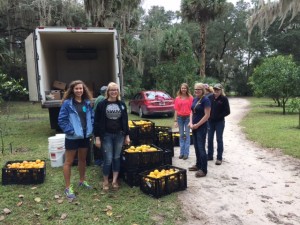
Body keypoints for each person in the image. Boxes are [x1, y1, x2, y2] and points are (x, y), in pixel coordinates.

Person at [58, 80, 94, 199]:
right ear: (72, 90)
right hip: (72, 137)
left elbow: (92, 117)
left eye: (81, 88)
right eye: (76, 88)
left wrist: (90, 129)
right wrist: (71, 131)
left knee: (82, 160)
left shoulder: (87, 103)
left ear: (84, 90)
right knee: (68, 162)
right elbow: (62, 120)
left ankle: (82, 181)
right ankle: (68, 188)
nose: (79, 90)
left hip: (85, 136)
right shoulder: (67, 104)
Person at [93, 82, 130, 190]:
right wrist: (97, 137)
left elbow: (125, 121)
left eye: (115, 90)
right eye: (111, 90)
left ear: (118, 92)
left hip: (119, 135)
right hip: (106, 135)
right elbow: (97, 122)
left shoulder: (122, 104)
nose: (114, 92)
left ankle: (114, 181)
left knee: (116, 158)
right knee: (108, 159)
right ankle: (105, 181)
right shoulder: (102, 104)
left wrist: (127, 136)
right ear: (108, 92)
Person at [188, 83, 211, 178]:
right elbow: (191, 112)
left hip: (201, 127)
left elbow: (207, 115)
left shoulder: (206, 100)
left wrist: (197, 125)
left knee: (201, 148)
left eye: (199, 89)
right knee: (196, 147)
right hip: (194, 126)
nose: (197, 91)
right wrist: (190, 123)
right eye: (195, 89)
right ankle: (198, 165)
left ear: (203, 90)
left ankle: (204, 170)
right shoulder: (195, 99)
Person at [207, 83, 230, 165]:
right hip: (210, 122)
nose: (216, 91)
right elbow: (206, 108)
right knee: (209, 139)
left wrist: (218, 116)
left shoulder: (224, 99)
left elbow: (227, 111)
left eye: (218, 90)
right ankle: (209, 155)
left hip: (219, 122)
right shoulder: (209, 97)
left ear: (221, 90)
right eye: (215, 89)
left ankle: (219, 158)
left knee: (219, 139)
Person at [174, 83, 193, 160]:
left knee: (187, 135)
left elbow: (192, 110)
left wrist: (191, 121)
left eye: (185, 88)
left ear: (187, 89)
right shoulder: (177, 98)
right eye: (182, 88)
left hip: (188, 118)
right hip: (180, 118)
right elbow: (176, 110)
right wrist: (175, 121)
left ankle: (186, 154)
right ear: (180, 89)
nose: (183, 89)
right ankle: (181, 153)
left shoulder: (190, 98)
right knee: (181, 135)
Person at [93, 85, 107, 166]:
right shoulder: (102, 98)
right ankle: (99, 160)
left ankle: (98, 160)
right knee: (99, 142)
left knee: (98, 142)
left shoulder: (99, 97)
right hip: (99, 122)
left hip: (97, 121)